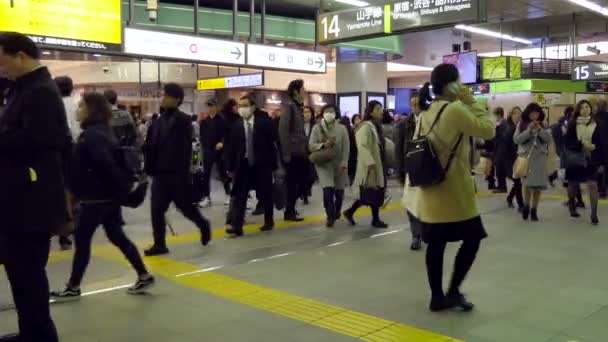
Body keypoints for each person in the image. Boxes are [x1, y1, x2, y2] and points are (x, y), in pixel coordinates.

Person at [50, 93, 155, 301]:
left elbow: (105, 165)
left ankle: (73, 286)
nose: (77, 110)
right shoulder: (101, 132)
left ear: (91, 110)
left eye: (81, 106)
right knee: (117, 236)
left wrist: (120, 190)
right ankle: (143, 274)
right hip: (106, 198)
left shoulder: (92, 136)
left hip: (95, 199)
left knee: (82, 240)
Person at [0, 32, 69, 342]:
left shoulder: (41, 91)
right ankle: (31, 334)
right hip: (19, 204)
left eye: (0, 58)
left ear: (20, 56)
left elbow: (43, 141)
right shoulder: (22, 89)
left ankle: (40, 336)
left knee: (29, 281)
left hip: (30, 207)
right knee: (23, 280)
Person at [413, 65, 495, 313]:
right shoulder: (455, 109)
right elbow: (489, 130)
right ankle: (453, 290)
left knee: (436, 245)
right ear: (451, 85)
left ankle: (437, 297)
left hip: (429, 189)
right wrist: (471, 101)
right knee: (473, 238)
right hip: (454, 192)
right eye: (459, 82)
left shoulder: (425, 113)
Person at [143, 83, 211, 256]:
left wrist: (186, 174)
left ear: (177, 99)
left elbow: (186, 149)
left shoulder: (184, 121)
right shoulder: (157, 121)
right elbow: (152, 144)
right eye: (163, 95)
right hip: (159, 173)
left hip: (177, 174)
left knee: (185, 207)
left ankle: (203, 224)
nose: (163, 98)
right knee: (156, 209)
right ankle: (160, 243)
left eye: (167, 95)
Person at [224, 95, 278, 237]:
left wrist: (274, 166)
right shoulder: (235, 126)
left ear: (253, 108)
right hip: (243, 165)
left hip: (262, 165)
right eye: (240, 105)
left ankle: (269, 220)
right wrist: (230, 168)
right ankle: (237, 226)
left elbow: (272, 146)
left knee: (266, 194)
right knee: (240, 196)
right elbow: (231, 148)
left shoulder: (265, 124)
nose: (242, 108)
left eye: (245, 105)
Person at [343, 100, 389, 229]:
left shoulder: (376, 125)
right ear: (371, 111)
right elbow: (362, 146)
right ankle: (370, 218)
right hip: (371, 165)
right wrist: (370, 163)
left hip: (378, 163)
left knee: (374, 191)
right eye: (378, 108)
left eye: (381, 108)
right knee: (369, 191)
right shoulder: (366, 126)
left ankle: (360, 215)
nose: (381, 111)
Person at [309, 105, 350, 227]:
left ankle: (337, 211)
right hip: (324, 164)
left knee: (339, 192)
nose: (329, 114)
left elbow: (346, 148)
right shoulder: (317, 128)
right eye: (326, 112)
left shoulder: (342, 129)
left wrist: (344, 163)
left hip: (339, 164)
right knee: (327, 190)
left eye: (331, 112)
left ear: (335, 114)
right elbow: (311, 145)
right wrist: (323, 145)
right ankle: (330, 216)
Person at [564, 100, 604, 225]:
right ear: (578, 110)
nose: (585, 109)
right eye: (582, 108)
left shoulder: (598, 124)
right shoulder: (572, 124)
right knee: (573, 184)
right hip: (575, 158)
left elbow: (602, 142)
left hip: (592, 159)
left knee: (593, 185)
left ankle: (594, 214)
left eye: (587, 107)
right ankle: (571, 203)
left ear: (591, 109)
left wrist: (596, 150)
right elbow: (568, 143)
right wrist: (581, 145)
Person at [395, 91, 425, 250]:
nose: (415, 107)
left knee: (426, 203)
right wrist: (400, 170)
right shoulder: (404, 124)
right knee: (411, 204)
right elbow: (399, 149)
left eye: (417, 103)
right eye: (412, 104)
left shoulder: (430, 121)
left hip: (427, 169)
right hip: (410, 169)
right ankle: (416, 235)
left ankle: (426, 231)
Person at [514, 103, 552, 222]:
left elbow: (549, 140)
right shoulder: (522, 124)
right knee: (527, 184)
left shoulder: (544, 125)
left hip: (540, 159)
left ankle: (534, 210)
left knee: (538, 187)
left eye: (537, 113)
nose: (535, 115)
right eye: (532, 113)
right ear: (528, 113)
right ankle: (526, 205)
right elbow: (516, 140)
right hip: (526, 159)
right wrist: (529, 130)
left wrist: (540, 129)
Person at [279, 79, 308, 222]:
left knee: (305, 180)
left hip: (301, 152)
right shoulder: (289, 108)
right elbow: (283, 132)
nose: (305, 92)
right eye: (303, 89)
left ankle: (289, 208)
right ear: (296, 91)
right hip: (292, 154)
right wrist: (286, 154)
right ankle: (289, 210)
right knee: (293, 182)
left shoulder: (298, 107)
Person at [54, 76, 78, 251]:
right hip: (79, 151)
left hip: (60, 152)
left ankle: (64, 234)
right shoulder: (79, 103)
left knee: (63, 190)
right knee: (76, 190)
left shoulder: (53, 104)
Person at [199, 98, 231, 207]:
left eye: (212, 105)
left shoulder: (222, 120)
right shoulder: (204, 121)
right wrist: (204, 148)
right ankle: (206, 197)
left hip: (219, 151)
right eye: (208, 106)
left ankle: (228, 194)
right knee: (206, 174)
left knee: (223, 174)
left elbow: (227, 135)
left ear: (216, 107)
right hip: (208, 151)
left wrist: (222, 143)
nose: (210, 108)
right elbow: (202, 136)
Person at [495, 107, 524, 211]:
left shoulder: (521, 127)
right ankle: (520, 204)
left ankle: (510, 198)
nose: (518, 115)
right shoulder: (509, 128)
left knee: (518, 181)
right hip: (509, 159)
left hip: (518, 158)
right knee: (517, 181)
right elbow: (507, 146)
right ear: (511, 116)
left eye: (519, 113)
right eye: (515, 113)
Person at [301, 106, 316, 205]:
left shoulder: (315, 125)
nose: (306, 114)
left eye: (308, 112)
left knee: (312, 177)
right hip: (301, 153)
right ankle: (304, 195)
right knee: (303, 176)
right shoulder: (298, 125)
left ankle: (305, 191)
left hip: (312, 154)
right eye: (305, 112)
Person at [490, 107, 506, 192]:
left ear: (499, 114)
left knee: (500, 168)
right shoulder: (499, 123)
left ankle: (502, 187)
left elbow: (501, 136)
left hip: (502, 148)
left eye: (495, 115)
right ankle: (501, 185)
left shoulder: (503, 123)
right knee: (498, 167)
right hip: (497, 148)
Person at [595, 98, 608, 199]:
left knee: (598, 169)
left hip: (597, 148)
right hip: (606, 148)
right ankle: (604, 189)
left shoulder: (593, 118)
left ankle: (600, 189)